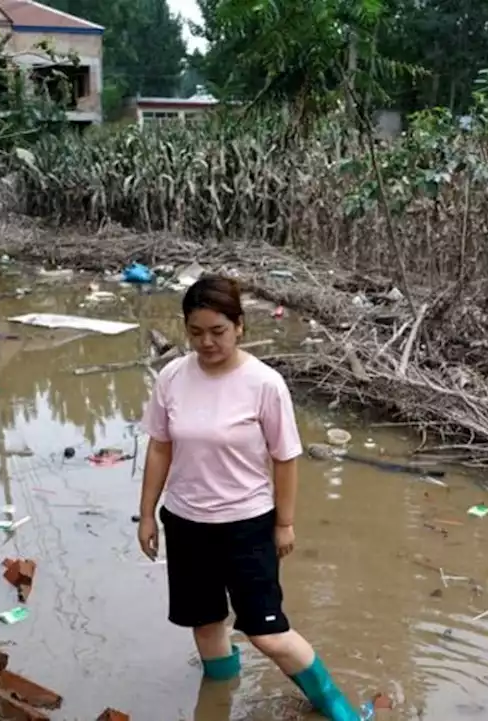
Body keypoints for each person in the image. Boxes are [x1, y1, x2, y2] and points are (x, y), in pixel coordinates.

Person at [137, 274, 362, 721]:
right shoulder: (172, 379)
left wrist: (285, 522)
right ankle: (219, 697)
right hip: (185, 522)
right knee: (204, 623)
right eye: (195, 332)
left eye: (217, 331)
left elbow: (285, 457)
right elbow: (160, 446)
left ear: (239, 326)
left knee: (267, 632)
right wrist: (146, 515)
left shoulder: (264, 384)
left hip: (248, 525)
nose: (206, 342)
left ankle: (337, 706)